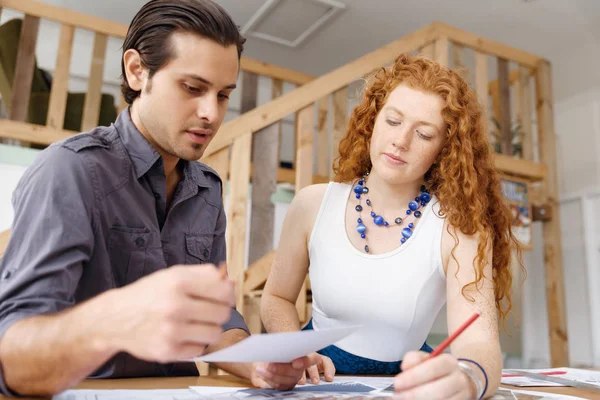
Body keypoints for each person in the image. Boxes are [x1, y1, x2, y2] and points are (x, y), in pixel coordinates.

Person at [0, 0, 318, 396]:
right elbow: (11, 357)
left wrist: (260, 362)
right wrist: (120, 317)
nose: (211, 114)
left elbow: (216, 323)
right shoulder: (70, 171)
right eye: (192, 88)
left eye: (222, 95)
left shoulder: (207, 188)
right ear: (137, 71)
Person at [261, 54, 522, 399]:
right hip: (314, 381)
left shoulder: (461, 229)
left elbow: (480, 344)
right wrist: (291, 349)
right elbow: (276, 297)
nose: (401, 141)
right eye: (393, 121)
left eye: (424, 134)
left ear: (445, 150)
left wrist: (469, 381)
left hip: (407, 384)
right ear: (373, 120)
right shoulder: (311, 204)